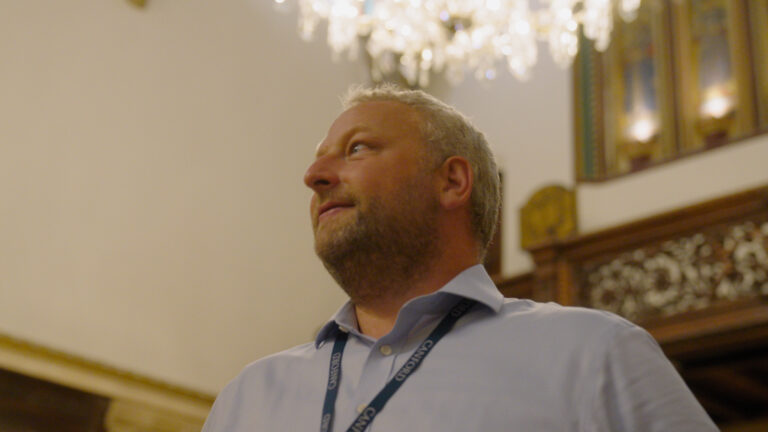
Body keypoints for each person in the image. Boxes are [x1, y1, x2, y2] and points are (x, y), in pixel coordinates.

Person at [202, 85, 718, 431]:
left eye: (357, 149)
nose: (314, 174)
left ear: (451, 181)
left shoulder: (595, 355)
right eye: (319, 156)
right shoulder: (245, 399)